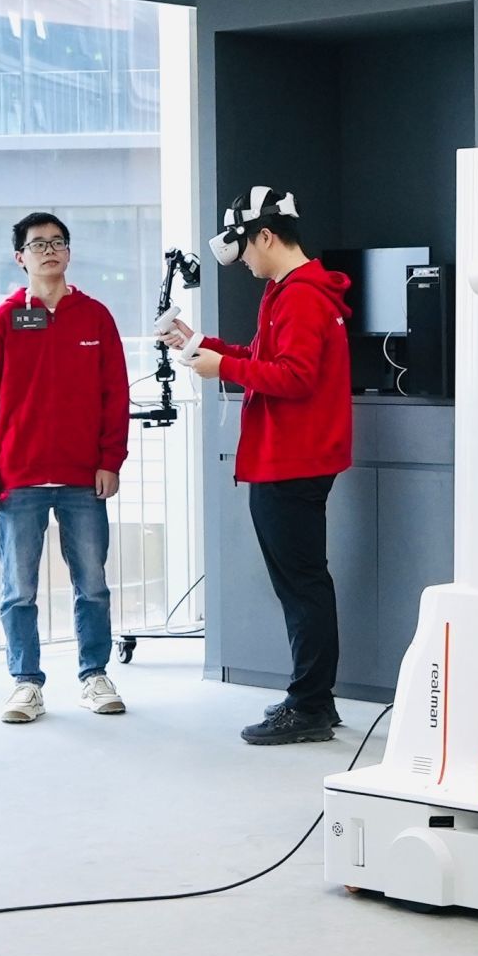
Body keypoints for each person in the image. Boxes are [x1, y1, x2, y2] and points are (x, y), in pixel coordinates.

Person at [157, 188, 353, 745]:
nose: (242, 260)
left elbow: (294, 377)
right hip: (292, 457)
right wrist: (202, 345)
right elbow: (269, 360)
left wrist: (222, 367)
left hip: (291, 461)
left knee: (302, 586)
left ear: (265, 236)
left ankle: (310, 704)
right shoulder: (292, 290)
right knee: (303, 583)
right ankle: (313, 699)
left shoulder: (301, 296)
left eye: (244, 248)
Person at [0, 212, 132, 723]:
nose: (49, 250)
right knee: (18, 590)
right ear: (19, 257)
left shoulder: (95, 317)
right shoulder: (3, 320)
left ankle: (94, 676)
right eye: (38, 244)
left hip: (84, 478)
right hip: (18, 478)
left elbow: (115, 395)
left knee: (93, 586)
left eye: (57, 242)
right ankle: (26, 683)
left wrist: (111, 459)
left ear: (69, 252)